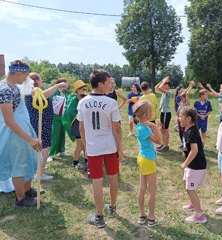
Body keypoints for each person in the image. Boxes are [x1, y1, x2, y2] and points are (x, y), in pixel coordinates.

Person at [77, 69, 123, 228]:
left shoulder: (82, 102)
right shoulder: (111, 102)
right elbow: (117, 128)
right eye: (108, 81)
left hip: (93, 149)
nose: (110, 84)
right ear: (100, 84)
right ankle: (112, 207)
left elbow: (81, 127)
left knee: (97, 182)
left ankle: (99, 217)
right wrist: (120, 148)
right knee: (112, 178)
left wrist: (85, 146)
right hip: (110, 147)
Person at [0, 60, 42, 207]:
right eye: (25, 75)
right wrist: (30, 139)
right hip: (15, 134)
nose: (26, 79)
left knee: (28, 159)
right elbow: (9, 120)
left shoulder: (14, 87)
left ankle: (27, 189)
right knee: (19, 163)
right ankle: (20, 199)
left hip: (23, 129)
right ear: (18, 73)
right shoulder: (4, 89)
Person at [26, 72, 68, 181]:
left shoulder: (32, 91)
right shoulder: (34, 90)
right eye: (40, 79)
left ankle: (39, 170)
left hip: (42, 123)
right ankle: (40, 174)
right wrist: (57, 85)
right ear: (36, 81)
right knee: (44, 149)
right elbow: (43, 96)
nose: (42, 81)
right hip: (41, 125)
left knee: (40, 149)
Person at [133, 100, 162, 228]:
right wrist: (155, 127)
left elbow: (153, 138)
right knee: (152, 190)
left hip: (142, 158)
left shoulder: (141, 126)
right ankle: (151, 218)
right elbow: (160, 141)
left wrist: (155, 128)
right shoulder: (144, 128)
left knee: (143, 187)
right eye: (151, 111)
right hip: (148, 159)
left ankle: (142, 215)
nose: (152, 112)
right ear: (145, 114)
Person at [179, 106, 207, 224]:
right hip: (192, 165)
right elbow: (189, 146)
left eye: (181, 116)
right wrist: (184, 150)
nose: (179, 118)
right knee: (187, 183)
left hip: (195, 165)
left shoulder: (191, 132)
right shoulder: (187, 129)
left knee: (190, 188)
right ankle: (193, 203)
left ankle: (200, 215)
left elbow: (194, 150)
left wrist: (185, 163)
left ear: (189, 118)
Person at [63, 80, 88, 171]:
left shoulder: (86, 98)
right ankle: (75, 163)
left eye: (85, 89)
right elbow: (70, 111)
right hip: (76, 124)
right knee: (80, 144)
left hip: (85, 124)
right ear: (76, 90)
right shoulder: (73, 99)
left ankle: (87, 162)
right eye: (81, 89)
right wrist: (80, 114)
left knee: (86, 144)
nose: (83, 90)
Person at [48, 78, 69, 161]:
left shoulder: (64, 93)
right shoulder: (54, 92)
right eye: (66, 83)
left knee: (62, 134)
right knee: (54, 135)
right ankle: (50, 154)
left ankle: (61, 150)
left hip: (62, 117)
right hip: (54, 116)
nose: (67, 85)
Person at [155, 76, 172, 153]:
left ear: (167, 85)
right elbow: (156, 87)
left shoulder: (169, 92)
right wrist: (162, 80)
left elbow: (159, 88)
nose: (163, 85)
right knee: (162, 129)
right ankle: (163, 144)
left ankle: (166, 146)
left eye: (164, 84)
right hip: (163, 112)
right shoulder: (164, 92)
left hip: (166, 113)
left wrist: (165, 80)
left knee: (165, 130)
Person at [177, 81, 194, 146]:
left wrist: (191, 86)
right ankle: (183, 143)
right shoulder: (181, 102)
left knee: (184, 132)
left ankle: (186, 144)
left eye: (182, 98)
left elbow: (186, 94)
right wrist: (188, 86)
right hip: (179, 119)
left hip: (184, 120)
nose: (181, 98)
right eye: (181, 98)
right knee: (180, 132)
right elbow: (182, 94)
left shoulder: (187, 103)